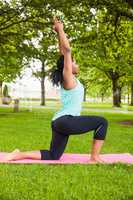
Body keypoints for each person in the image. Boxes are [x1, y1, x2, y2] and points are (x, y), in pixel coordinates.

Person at [3, 17, 108, 163]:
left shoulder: (69, 79)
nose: (76, 63)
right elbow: (66, 51)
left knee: (53, 155)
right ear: (69, 66)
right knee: (102, 122)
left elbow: (63, 52)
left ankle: (17, 154)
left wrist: (58, 33)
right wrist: (61, 29)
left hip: (58, 122)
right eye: (74, 62)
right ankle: (95, 157)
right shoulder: (68, 77)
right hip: (66, 120)